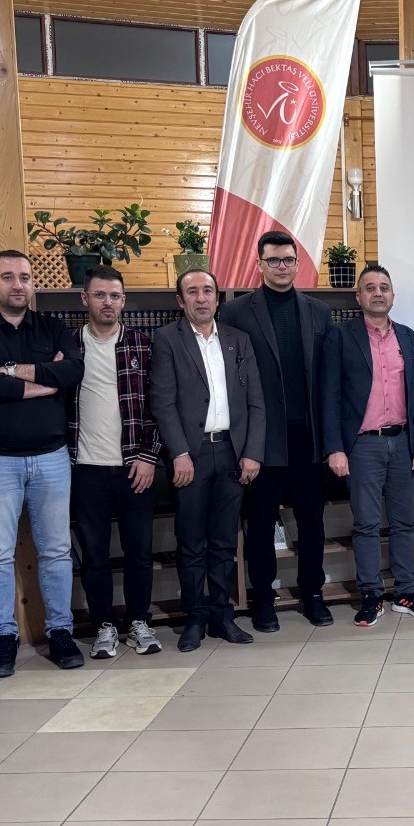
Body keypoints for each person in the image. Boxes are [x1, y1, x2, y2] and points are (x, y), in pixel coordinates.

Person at [0, 250, 84, 677]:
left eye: (25, 277)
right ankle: (3, 638)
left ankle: (60, 632)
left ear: (33, 283)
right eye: (7, 277)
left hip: (52, 457)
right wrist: (44, 380)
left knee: (57, 551)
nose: (17, 285)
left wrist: (8, 372)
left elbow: (73, 372)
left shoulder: (52, 327)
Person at [218, 231, 335, 631]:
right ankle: (263, 600)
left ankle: (313, 594)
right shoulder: (235, 313)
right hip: (262, 439)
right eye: (273, 260)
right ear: (259, 264)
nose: (281, 267)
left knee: (313, 523)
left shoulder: (320, 312)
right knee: (261, 524)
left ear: (297, 264)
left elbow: (327, 380)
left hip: (307, 438)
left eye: (288, 260)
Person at [150, 268, 265, 651]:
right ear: (180, 301)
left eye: (207, 291)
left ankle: (221, 615)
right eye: (192, 292)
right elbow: (163, 402)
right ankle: (194, 617)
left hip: (231, 452)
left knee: (224, 540)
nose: (201, 298)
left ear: (217, 298)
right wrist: (179, 453)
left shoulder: (238, 340)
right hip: (191, 455)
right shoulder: (167, 339)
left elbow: (255, 401)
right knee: (191, 542)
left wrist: (252, 452)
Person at [322, 264, 414, 626]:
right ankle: (371, 594)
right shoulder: (341, 337)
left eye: (384, 287)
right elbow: (329, 397)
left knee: (404, 522)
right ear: (358, 297)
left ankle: (406, 591)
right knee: (367, 524)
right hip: (363, 446)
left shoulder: (409, 338)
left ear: (392, 295)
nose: (378, 293)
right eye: (370, 288)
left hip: (403, 443)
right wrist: (335, 448)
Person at [69, 265, 164, 660]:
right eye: (99, 295)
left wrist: (149, 456)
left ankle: (139, 621)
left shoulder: (143, 345)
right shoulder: (69, 347)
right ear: (85, 299)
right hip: (84, 467)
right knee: (94, 555)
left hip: (134, 466)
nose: (107, 302)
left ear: (123, 301)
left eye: (114, 296)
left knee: (139, 551)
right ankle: (104, 626)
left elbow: (159, 405)